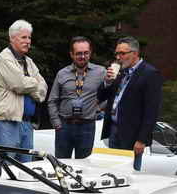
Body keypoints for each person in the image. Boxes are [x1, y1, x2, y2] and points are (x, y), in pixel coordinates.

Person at [98, 36, 163, 171]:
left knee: (129, 173)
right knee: (113, 171)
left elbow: (151, 111)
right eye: (116, 53)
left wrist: (142, 140)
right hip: (114, 130)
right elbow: (101, 97)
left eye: (122, 53)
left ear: (135, 53)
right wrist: (107, 82)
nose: (118, 57)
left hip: (132, 135)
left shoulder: (150, 74)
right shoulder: (120, 71)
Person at [0, 19, 48, 163]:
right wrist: (34, 83)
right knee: (6, 167)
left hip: (27, 124)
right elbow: (19, 84)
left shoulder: (29, 61)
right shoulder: (4, 58)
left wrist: (29, 85)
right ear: (12, 38)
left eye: (29, 38)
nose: (28, 41)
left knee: (26, 169)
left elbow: (44, 89)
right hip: (7, 123)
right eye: (23, 37)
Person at [47, 36, 107, 159]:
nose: (82, 56)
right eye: (79, 53)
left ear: (90, 53)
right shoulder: (62, 73)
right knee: (62, 163)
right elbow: (52, 100)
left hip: (87, 126)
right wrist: (56, 123)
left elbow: (111, 94)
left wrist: (98, 109)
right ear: (71, 54)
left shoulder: (101, 72)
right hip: (64, 126)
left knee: (84, 164)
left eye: (86, 53)